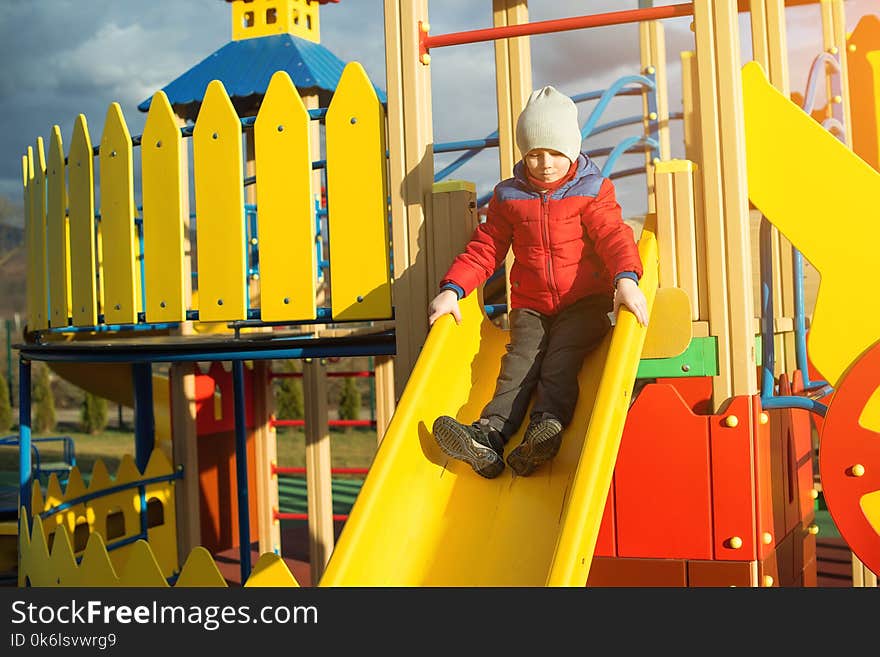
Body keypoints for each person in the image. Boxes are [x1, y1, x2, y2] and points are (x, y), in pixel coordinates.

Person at [429, 85, 649, 479]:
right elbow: (485, 249)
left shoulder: (592, 191)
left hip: (585, 302)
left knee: (560, 360)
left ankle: (544, 429)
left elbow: (614, 237)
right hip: (532, 306)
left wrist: (626, 280)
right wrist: (452, 289)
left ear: (572, 151)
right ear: (523, 154)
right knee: (519, 365)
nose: (545, 163)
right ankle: (489, 437)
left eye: (554, 153)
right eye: (534, 154)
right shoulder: (509, 196)